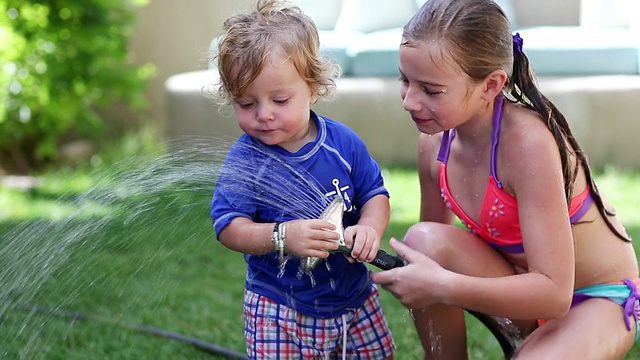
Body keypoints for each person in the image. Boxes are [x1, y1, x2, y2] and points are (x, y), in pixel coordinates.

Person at [370, 0, 640, 358]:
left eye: (431, 90)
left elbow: (556, 294)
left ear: (490, 85)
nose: (408, 101)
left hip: (592, 300)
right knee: (421, 242)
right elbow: (429, 258)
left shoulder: (527, 144)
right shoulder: (434, 144)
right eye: (405, 80)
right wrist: (421, 278)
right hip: (519, 288)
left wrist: (442, 285)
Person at [209, 1, 395, 358]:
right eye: (246, 104)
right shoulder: (246, 160)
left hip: (353, 300)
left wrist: (370, 228)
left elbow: (374, 193)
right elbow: (229, 227)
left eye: (279, 99)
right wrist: (282, 236)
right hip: (278, 308)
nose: (264, 115)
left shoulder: (343, 144)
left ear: (313, 87)